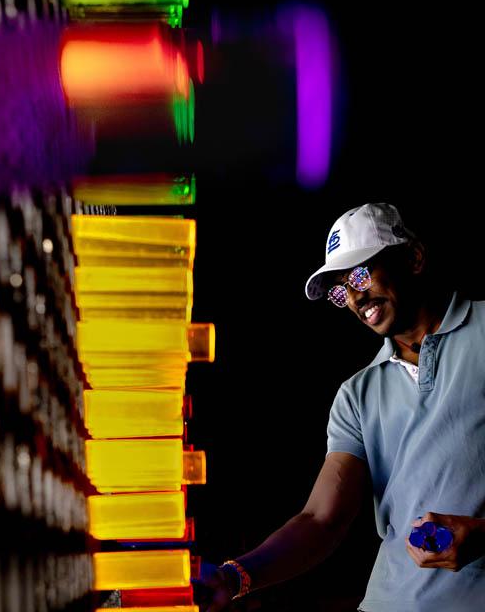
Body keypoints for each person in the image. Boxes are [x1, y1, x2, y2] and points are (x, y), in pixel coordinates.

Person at [195, 203, 485, 611]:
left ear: (413, 258)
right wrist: (233, 576)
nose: (354, 296)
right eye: (340, 289)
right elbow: (320, 521)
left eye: (361, 274)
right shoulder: (357, 395)